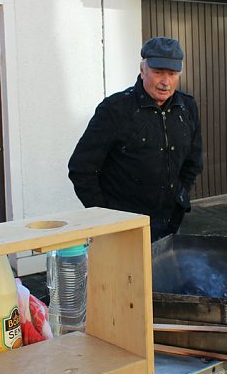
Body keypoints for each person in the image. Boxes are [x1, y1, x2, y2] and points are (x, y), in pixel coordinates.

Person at [68, 37, 203, 241]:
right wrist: (106, 218)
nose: (165, 82)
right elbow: (81, 169)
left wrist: (179, 198)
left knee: (163, 274)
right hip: (121, 229)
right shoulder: (115, 109)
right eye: (158, 73)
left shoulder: (187, 107)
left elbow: (193, 163)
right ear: (143, 70)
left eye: (172, 74)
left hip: (170, 226)